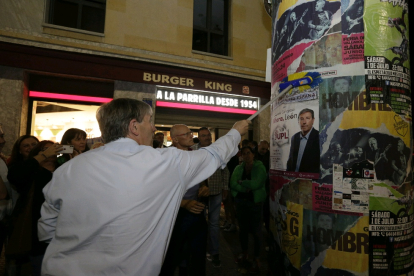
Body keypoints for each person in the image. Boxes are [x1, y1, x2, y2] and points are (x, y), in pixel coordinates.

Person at [37, 98, 250, 275]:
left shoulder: (68, 169)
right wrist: (235, 132)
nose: (154, 127)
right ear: (134, 126)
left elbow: (47, 229)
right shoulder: (164, 162)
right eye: (150, 121)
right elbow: (212, 155)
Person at [160, 124, 209, 275]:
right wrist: (183, 203)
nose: (191, 136)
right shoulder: (166, 158)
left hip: (196, 211)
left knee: (197, 255)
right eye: (186, 134)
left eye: (190, 133)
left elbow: (200, 178)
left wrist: (203, 187)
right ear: (174, 139)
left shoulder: (194, 155)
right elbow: (160, 191)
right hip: (175, 215)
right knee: (172, 256)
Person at [7, 141, 61, 276]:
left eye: (53, 149)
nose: (51, 151)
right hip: (34, 226)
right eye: (45, 149)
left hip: (61, 227)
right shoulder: (32, 170)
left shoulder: (63, 170)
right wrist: (43, 156)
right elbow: (14, 175)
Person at [230, 146, 267, 273]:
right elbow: (233, 184)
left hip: (254, 203)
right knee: (243, 230)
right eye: (244, 153)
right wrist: (244, 187)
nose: (246, 155)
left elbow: (257, 184)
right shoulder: (238, 168)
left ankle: (256, 258)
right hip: (241, 203)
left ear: (253, 154)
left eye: (248, 153)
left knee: (257, 231)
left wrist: (242, 182)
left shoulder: (260, 167)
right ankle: (244, 252)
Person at [199, 128, 230, 267]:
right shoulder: (193, 151)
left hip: (216, 191)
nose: (207, 138)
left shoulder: (218, 151)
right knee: (199, 223)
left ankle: (214, 252)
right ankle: (199, 251)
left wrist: (225, 188)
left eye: (208, 136)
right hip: (199, 194)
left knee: (214, 223)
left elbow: (225, 171)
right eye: (203, 136)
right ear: (199, 137)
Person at [286, 108, 320, 173]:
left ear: (313, 120)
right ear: (298, 121)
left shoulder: (319, 137)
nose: (304, 122)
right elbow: (290, 161)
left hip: (310, 180)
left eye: (307, 118)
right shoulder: (295, 137)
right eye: (301, 119)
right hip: (294, 179)